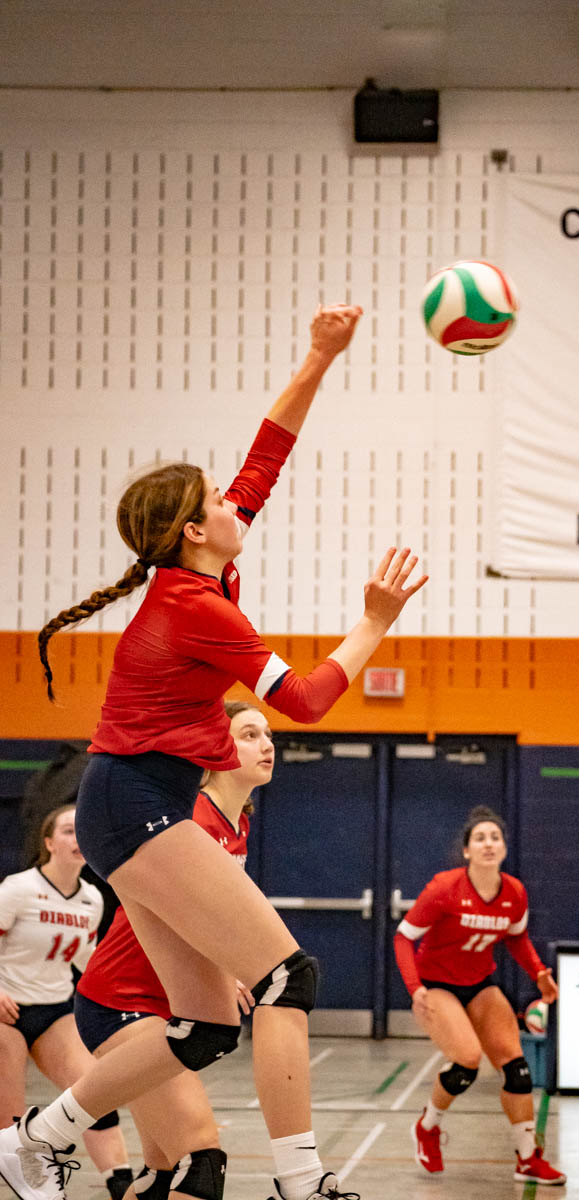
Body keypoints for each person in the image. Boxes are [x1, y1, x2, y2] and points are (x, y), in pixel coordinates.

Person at [0, 303, 426, 1200]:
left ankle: (36, 1135)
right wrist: (374, 625)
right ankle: (301, 1181)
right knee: (288, 974)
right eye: (218, 505)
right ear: (194, 530)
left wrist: (318, 357)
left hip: (128, 798)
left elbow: (263, 458)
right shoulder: (199, 610)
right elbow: (305, 701)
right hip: (135, 800)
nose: (237, 506)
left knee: (201, 1027)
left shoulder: (200, 571)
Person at [74, 700, 273, 1200]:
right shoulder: (189, 821)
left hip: (169, 1009)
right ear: (214, 749)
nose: (267, 744)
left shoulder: (236, 826)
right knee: (201, 1161)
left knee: (162, 1173)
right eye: (249, 734)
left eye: (269, 735)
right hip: (123, 1000)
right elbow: (169, 916)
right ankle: (34, 1138)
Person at [394, 805, 566, 1187]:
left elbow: (517, 938)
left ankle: (526, 1159)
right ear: (468, 851)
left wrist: (539, 973)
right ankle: (427, 1127)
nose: (489, 844)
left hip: (479, 983)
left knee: (517, 1070)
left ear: (503, 849)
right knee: (468, 1061)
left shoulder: (514, 892)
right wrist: (414, 988)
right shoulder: (444, 888)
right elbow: (403, 937)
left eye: (495, 838)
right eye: (480, 838)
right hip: (437, 984)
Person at [0, 806, 133, 1200]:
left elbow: (87, 962)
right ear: (48, 843)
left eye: (83, 832)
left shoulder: (92, 899)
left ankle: (121, 1182)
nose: (77, 840)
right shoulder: (18, 888)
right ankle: (26, 1180)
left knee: (94, 1092)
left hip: (55, 1009)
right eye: (68, 831)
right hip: (6, 1009)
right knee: (10, 1116)